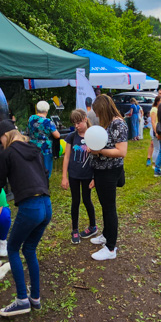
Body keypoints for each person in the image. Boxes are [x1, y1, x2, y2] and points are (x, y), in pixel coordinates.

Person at [0, 120, 52, 316]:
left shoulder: (6, 155)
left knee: (12, 248)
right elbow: (45, 175)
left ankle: (22, 300)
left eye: (0, 139)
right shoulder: (35, 149)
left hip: (30, 207)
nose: (0, 143)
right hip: (46, 205)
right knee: (30, 248)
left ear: (5, 135)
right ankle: (35, 297)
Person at [88, 94, 128, 261]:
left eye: (98, 112)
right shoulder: (109, 123)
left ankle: (110, 248)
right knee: (105, 206)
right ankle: (106, 235)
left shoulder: (118, 123)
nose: (96, 115)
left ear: (103, 109)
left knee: (109, 207)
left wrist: (99, 151)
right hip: (102, 170)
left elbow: (121, 152)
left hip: (109, 171)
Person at [61, 109, 98, 245]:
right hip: (74, 174)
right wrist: (64, 176)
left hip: (88, 174)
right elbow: (66, 156)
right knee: (75, 201)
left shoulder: (93, 134)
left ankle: (93, 226)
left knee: (87, 200)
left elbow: (99, 156)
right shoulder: (72, 136)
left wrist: (94, 177)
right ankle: (74, 229)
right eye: (74, 123)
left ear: (84, 118)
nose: (76, 126)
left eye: (78, 123)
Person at [28, 101, 61, 179]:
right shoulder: (48, 122)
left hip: (33, 147)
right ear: (47, 110)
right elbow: (57, 135)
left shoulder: (31, 118)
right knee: (46, 170)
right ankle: (44, 186)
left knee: (35, 169)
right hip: (45, 149)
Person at [146, 96, 161, 167]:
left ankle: (157, 163)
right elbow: (153, 122)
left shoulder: (157, 109)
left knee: (158, 148)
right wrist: (156, 132)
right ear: (157, 101)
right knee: (157, 148)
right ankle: (155, 164)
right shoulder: (154, 109)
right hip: (155, 130)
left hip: (157, 129)